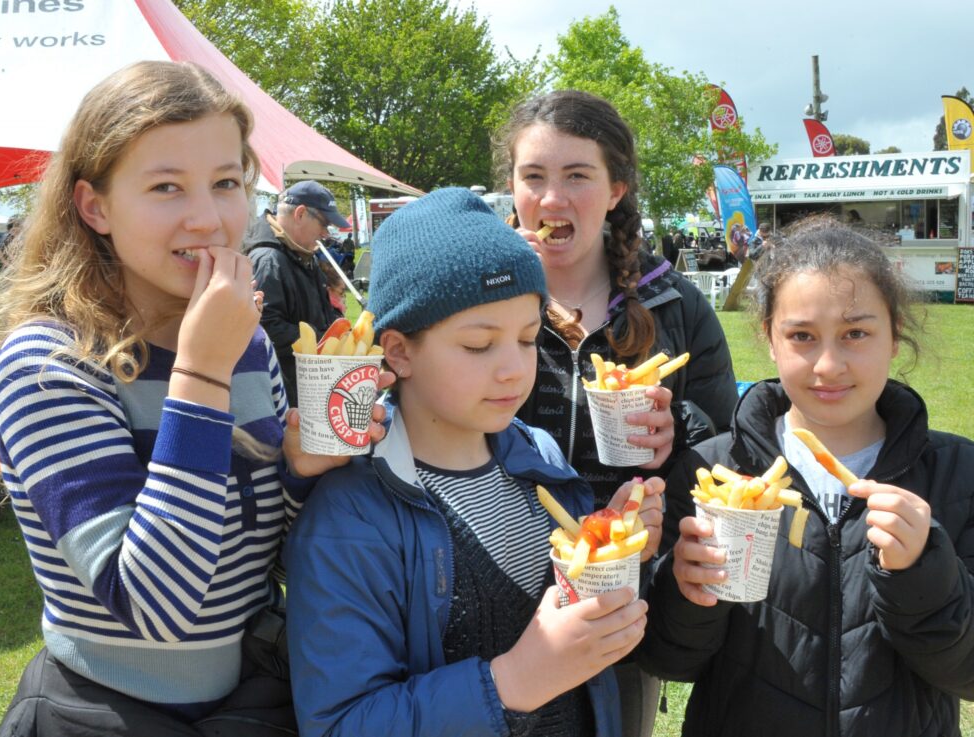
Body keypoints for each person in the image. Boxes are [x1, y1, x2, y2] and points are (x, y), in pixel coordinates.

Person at [0, 60, 388, 737]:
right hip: (105, 713)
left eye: (225, 183)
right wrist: (200, 373)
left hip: (252, 699)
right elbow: (159, 605)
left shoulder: (242, 346)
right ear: (94, 206)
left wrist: (301, 472)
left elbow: (260, 556)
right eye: (165, 187)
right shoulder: (47, 362)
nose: (209, 217)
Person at [285, 187, 666, 737]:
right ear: (398, 351)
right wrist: (513, 680)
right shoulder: (352, 514)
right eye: (478, 345)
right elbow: (341, 722)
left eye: (529, 339)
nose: (513, 369)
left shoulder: (541, 456)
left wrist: (610, 544)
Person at [640, 217, 974, 736]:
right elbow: (670, 660)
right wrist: (686, 593)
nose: (828, 365)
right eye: (802, 336)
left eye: (856, 333)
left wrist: (923, 572)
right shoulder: (709, 469)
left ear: (894, 337)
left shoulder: (957, 474)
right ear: (769, 341)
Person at [497, 89, 738, 737]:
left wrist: (679, 428)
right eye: (534, 177)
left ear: (615, 191)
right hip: (491, 584)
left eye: (578, 176)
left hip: (622, 598)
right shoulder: (479, 302)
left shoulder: (676, 307)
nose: (552, 199)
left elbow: (731, 452)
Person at [244, 180, 348, 402]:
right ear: (300, 214)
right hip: (287, 395)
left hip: (307, 388)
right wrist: (325, 340)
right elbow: (266, 329)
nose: (325, 234)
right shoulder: (269, 260)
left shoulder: (298, 255)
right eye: (324, 224)